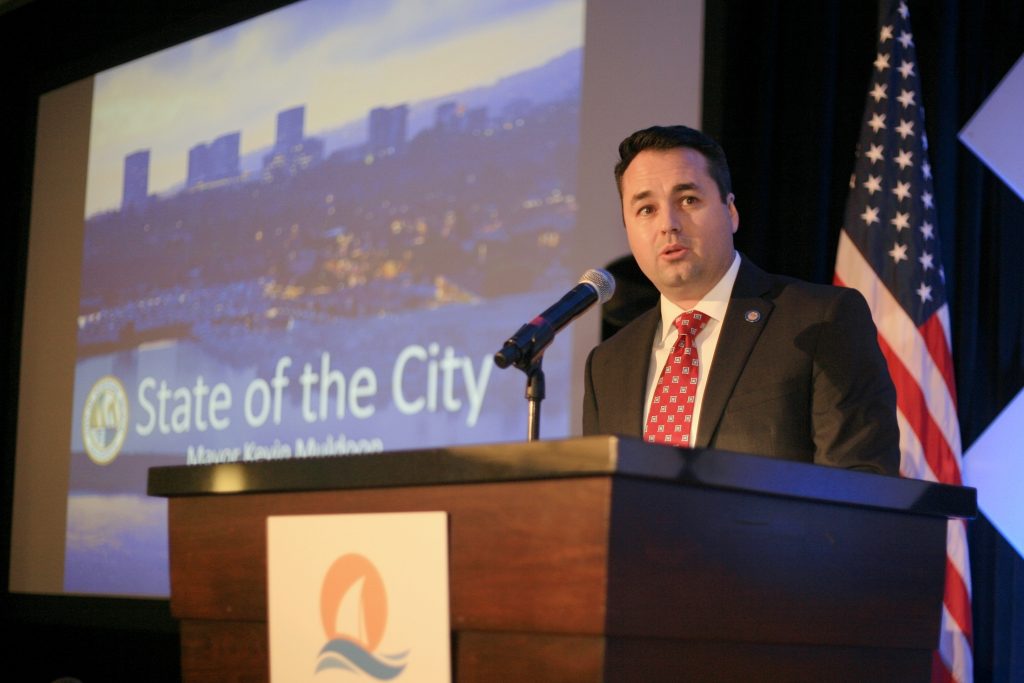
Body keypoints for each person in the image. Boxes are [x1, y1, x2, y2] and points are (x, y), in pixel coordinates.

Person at [582, 125, 899, 475]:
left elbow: (858, 480)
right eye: (646, 209)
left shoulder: (821, 319)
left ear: (730, 212)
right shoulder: (607, 365)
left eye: (688, 200)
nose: (668, 224)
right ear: (628, 229)